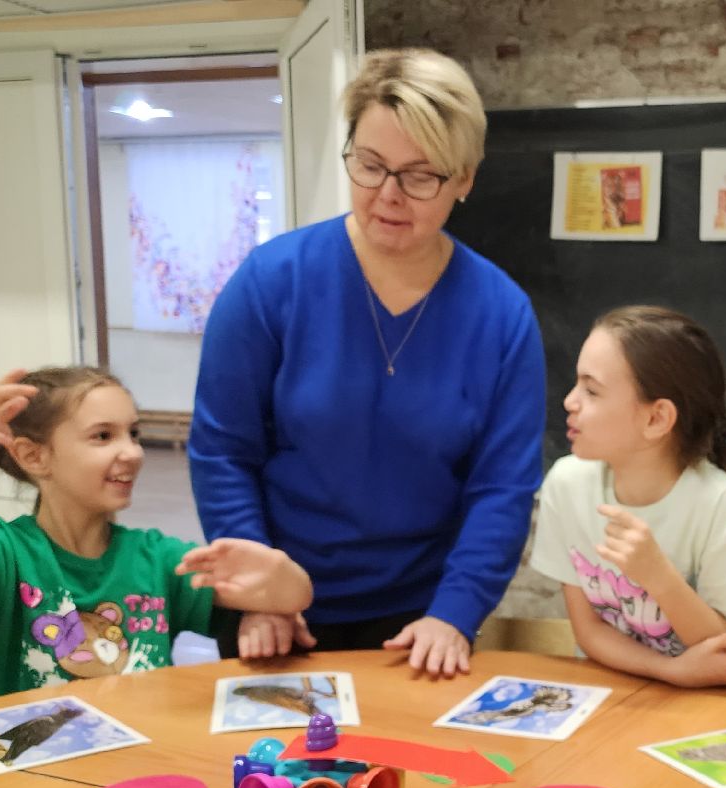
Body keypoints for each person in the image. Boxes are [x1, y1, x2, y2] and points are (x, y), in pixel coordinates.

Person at [191, 47, 545, 675]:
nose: (389, 195)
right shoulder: (271, 282)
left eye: (420, 175)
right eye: (370, 165)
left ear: (464, 178)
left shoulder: (502, 314)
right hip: (278, 614)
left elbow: (502, 489)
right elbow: (224, 451)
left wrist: (454, 613)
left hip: (420, 624)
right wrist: (261, 592)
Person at [0, 368, 312, 699]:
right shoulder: (1, 549)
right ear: (33, 455)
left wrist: (274, 570)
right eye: (103, 436)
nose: (132, 452)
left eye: (134, 433)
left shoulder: (154, 556)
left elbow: (292, 597)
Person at [529, 306, 726, 687]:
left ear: (656, 419)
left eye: (591, 390)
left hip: (699, 708)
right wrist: (669, 670)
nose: (569, 401)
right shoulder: (566, 484)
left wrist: (657, 575)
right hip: (611, 693)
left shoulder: (717, 503)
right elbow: (589, 631)